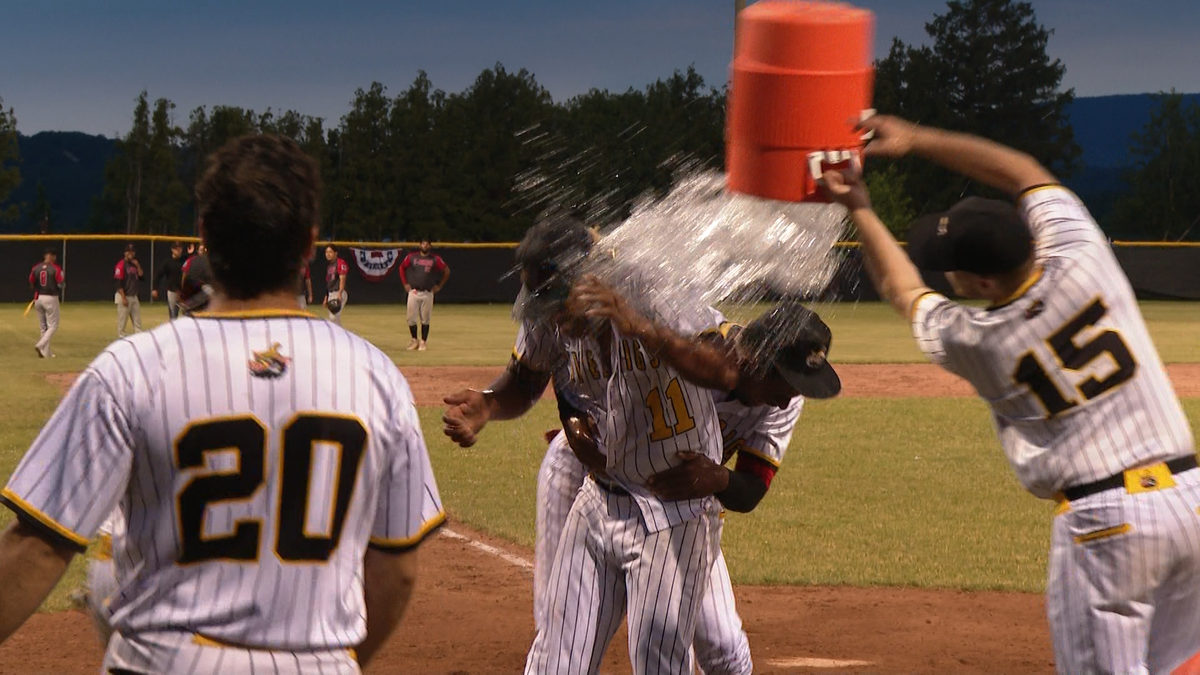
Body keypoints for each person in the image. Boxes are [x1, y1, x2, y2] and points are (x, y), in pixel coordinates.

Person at [0, 134, 445, 674]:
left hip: (166, 663)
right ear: (308, 245)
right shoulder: (380, 378)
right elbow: (395, 571)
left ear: (205, 237)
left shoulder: (131, 367)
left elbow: (38, 547)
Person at [819, 114, 1200, 675]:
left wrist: (859, 205)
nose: (948, 277)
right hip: (1190, 500)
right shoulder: (1084, 254)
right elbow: (1024, 172)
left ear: (984, 284)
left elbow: (905, 292)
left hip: (1107, 526)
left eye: (954, 270)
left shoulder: (982, 341)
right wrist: (918, 138)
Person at [444, 217, 724, 675]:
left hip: (674, 509)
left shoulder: (652, 288)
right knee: (556, 661)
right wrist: (487, 406)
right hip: (599, 497)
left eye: (556, 303)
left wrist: (644, 329)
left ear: (589, 279)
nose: (551, 317)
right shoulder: (548, 313)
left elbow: (725, 368)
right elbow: (524, 380)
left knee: (658, 662)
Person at [534, 290, 840, 675]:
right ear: (761, 362)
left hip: (681, 505)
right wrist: (575, 421)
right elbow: (576, 350)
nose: (785, 402)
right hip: (595, 476)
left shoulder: (786, 403)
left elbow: (751, 488)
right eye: (786, 386)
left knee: (723, 646)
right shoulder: (696, 337)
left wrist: (717, 477)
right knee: (561, 633)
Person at [399, 239, 450, 351]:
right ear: (420, 245)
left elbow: (446, 271)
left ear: (430, 246)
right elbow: (401, 267)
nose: (425, 245)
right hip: (414, 291)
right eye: (423, 243)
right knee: (411, 319)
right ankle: (414, 341)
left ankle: (423, 342)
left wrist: (439, 286)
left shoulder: (435, 259)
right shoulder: (412, 257)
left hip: (427, 292)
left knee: (425, 319)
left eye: (427, 244)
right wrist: (405, 283)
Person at [29, 247, 64, 358]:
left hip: (38, 298)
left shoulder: (36, 268)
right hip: (51, 298)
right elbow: (61, 284)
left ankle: (46, 353)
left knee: (43, 326)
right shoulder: (56, 268)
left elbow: (31, 282)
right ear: (52, 256)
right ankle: (40, 345)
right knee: (53, 326)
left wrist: (36, 291)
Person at [114, 243, 144, 337]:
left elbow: (141, 276)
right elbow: (118, 284)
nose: (130, 253)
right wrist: (123, 298)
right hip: (124, 296)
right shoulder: (121, 265)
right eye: (128, 251)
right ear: (125, 253)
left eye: (132, 251)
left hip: (134, 296)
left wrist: (138, 265)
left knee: (137, 321)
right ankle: (122, 338)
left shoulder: (135, 264)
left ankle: (139, 338)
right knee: (122, 322)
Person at [152, 240, 187, 319]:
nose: (178, 250)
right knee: (173, 315)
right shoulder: (167, 262)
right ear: (172, 249)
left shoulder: (185, 260)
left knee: (187, 314)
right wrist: (155, 288)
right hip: (172, 291)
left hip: (184, 292)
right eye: (176, 248)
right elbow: (158, 275)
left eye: (180, 248)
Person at [178, 243, 214, 316]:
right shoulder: (191, 260)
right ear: (198, 251)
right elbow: (184, 276)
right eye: (201, 250)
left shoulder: (211, 261)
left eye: (204, 250)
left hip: (207, 287)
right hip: (196, 287)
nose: (203, 251)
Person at [324, 244, 349, 324]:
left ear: (336, 253)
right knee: (333, 318)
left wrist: (340, 293)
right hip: (331, 294)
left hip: (338, 292)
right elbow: (329, 283)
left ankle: (340, 335)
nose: (328, 254)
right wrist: (326, 297)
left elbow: (342, 279)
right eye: (326, 252)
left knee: (333, 317)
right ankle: (339, 334)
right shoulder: (329, 266)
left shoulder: (340, 263)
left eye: (330, 252)